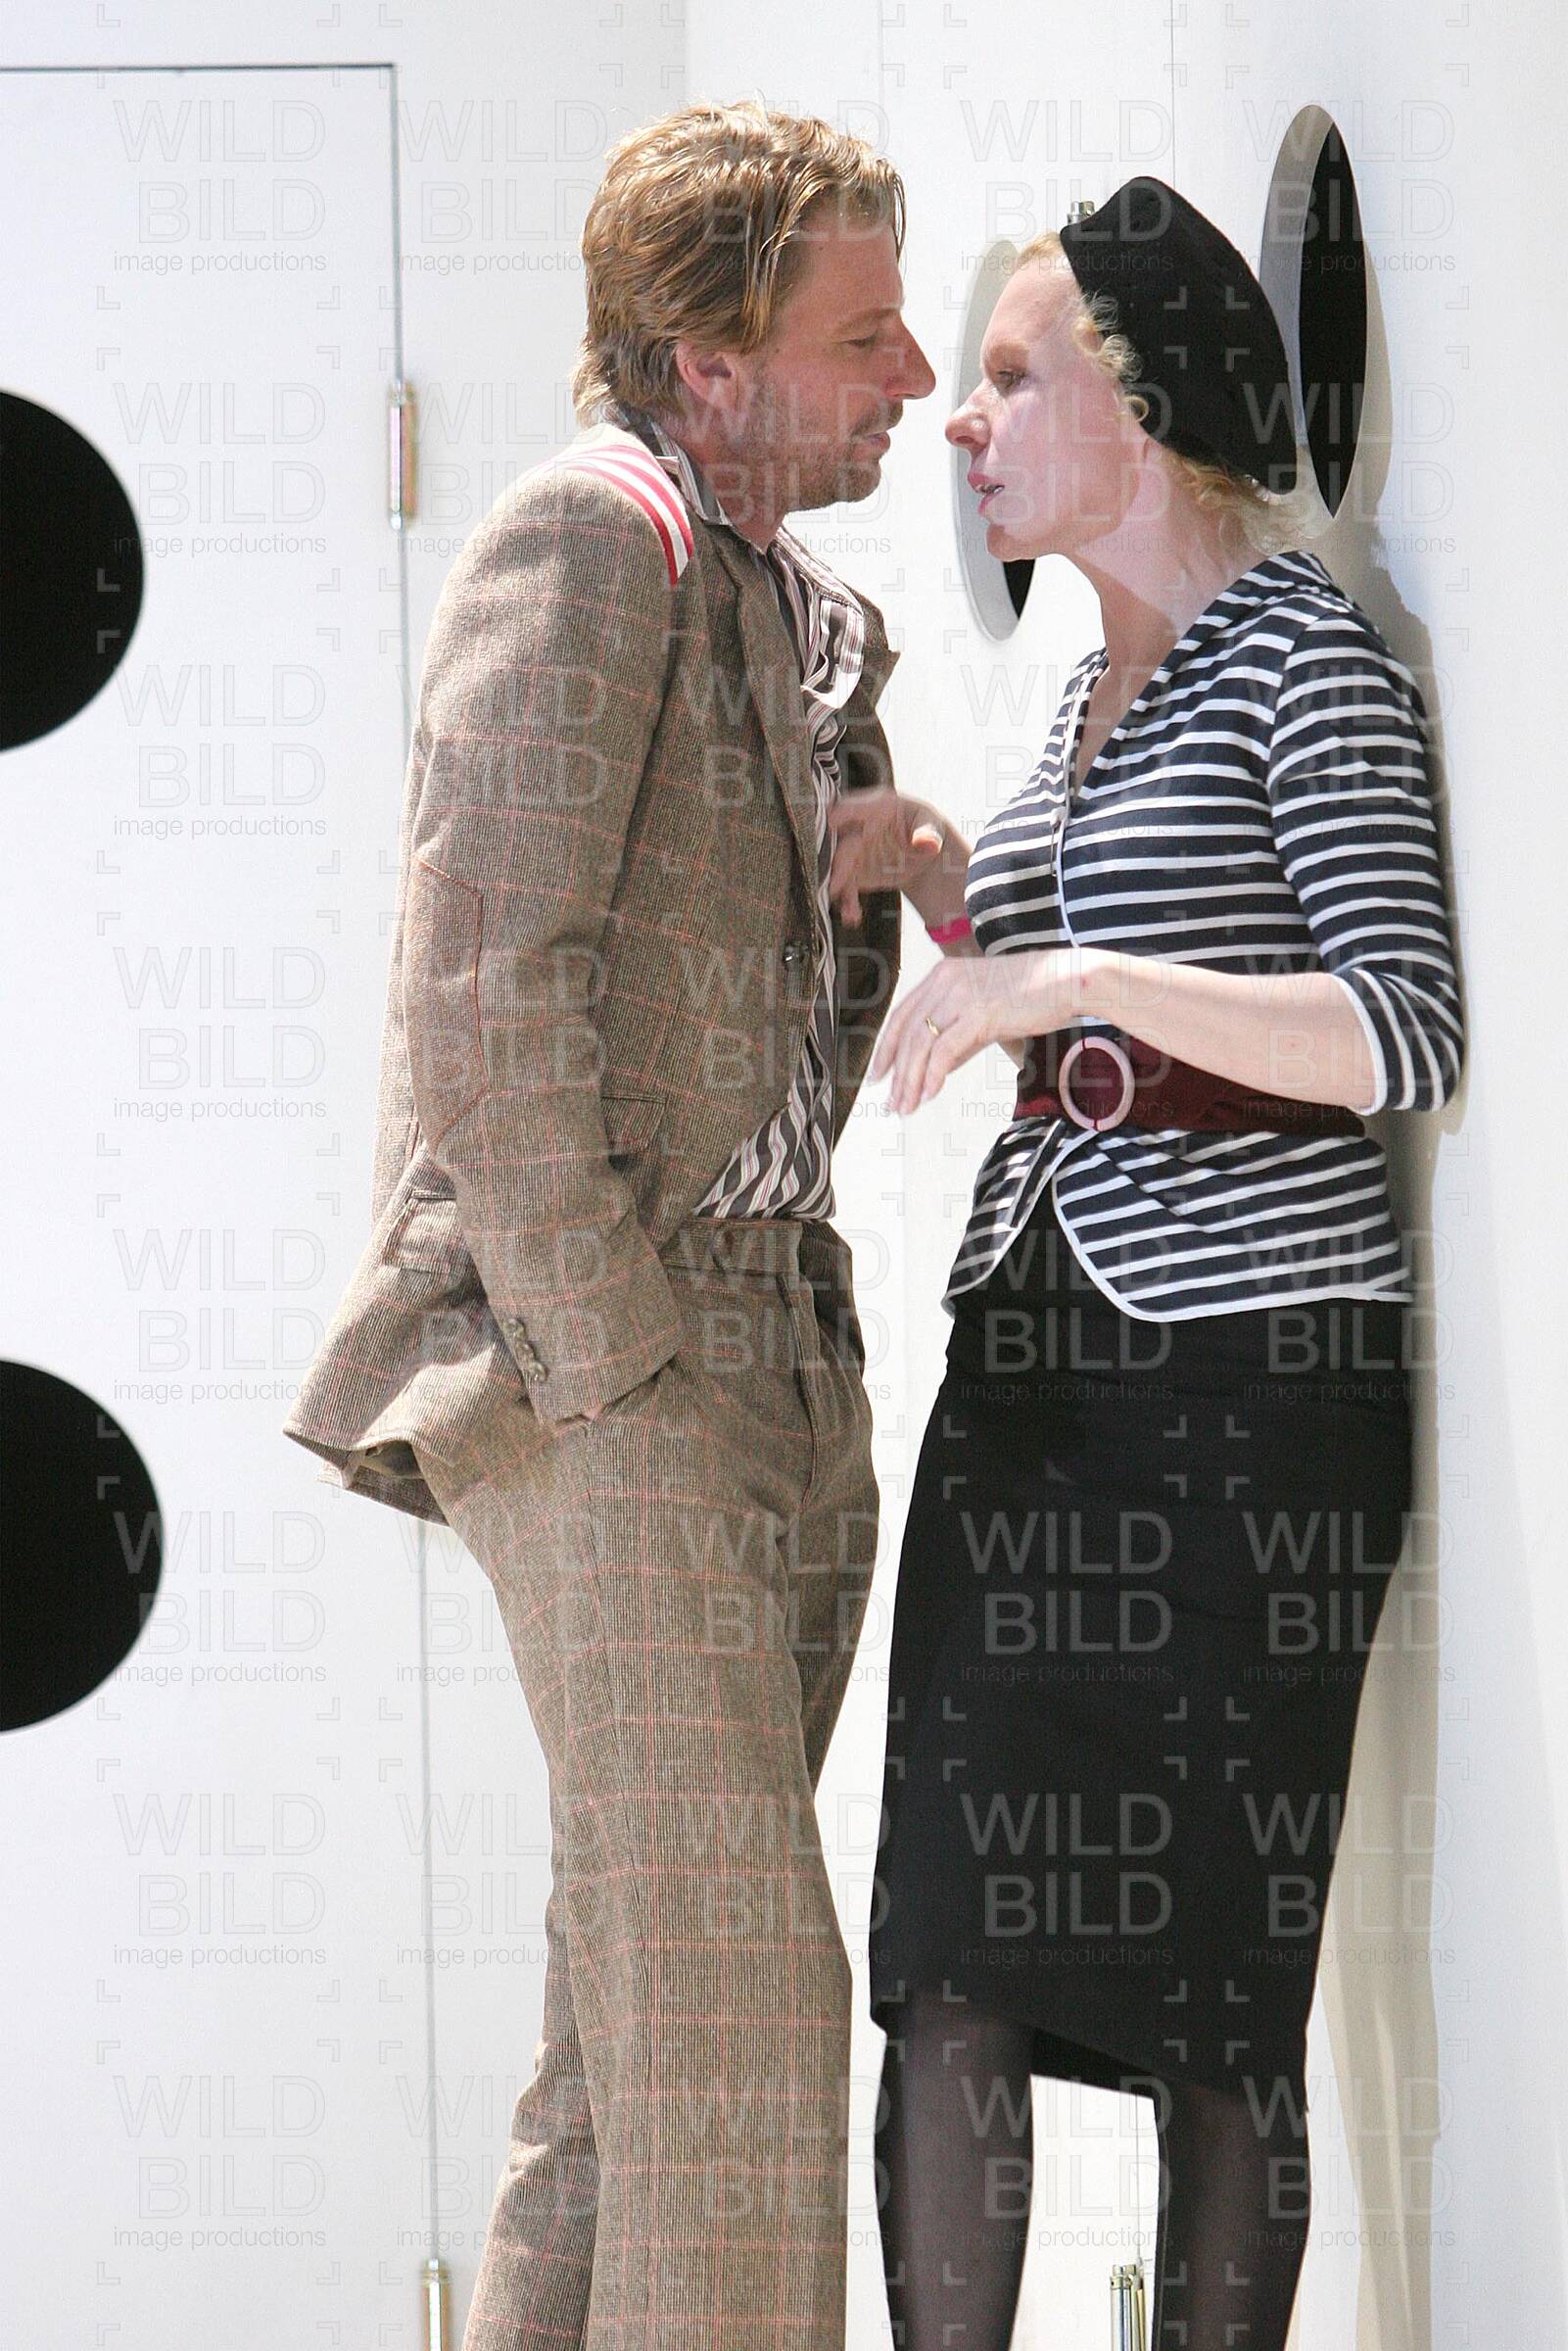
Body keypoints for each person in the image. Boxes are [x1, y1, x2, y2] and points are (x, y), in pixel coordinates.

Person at [283, 100, 935, 2351]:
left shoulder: (780, 599)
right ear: (709, 357)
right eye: (864, 335)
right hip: (623, 1364)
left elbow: (738, 1016)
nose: (912, 377)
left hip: (770, 1350)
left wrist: (850, 867)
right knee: (744, 2022)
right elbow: (482, 980)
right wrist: (620, 1363)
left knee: (631, 2041)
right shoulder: (589, 534)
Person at [826, 177, 1464, 2349]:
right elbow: (1062, 974)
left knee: (1215, 2001)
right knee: (948, 1960)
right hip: (1033, 1377)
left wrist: (1068, 979)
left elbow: (1397, 1025)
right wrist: (948, 876)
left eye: (1013, 377)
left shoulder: (1305, 650)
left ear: (1149, 397)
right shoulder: (1084, 686)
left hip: (1250, 1398)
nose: (962, 420)